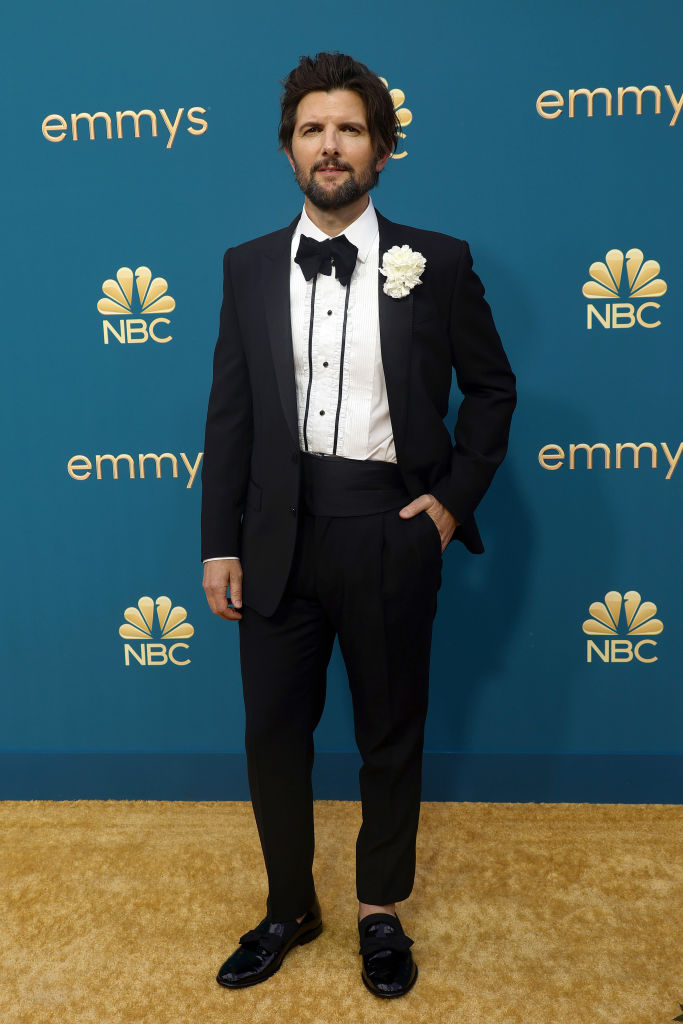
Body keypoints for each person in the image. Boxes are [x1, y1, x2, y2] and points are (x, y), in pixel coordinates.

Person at [201, 51, 516, 999]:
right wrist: (219, 541)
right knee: (272, 735)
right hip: (275, 540)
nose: (328, 146)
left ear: (381, 148)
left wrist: (451, 503)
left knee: (389, 732)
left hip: (388, 531)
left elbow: (492, 392)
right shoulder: (246, 266)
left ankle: (380, 907)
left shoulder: (442, 261)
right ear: (288, 149)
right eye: (311, 130)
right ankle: (289, 905)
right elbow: (230, 415)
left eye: (347, 129)